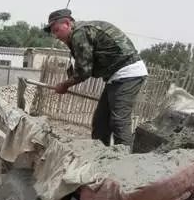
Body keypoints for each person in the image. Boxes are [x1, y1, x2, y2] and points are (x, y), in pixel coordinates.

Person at [44, 9, 148, 146]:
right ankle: (100, 156)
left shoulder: (80, 34)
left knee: (119, 121)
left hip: (127, 72)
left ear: (67, 23)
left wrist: (64, 85)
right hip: (116, 76)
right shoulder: (79, 33)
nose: (56, 36)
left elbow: (84, 72)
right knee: (100, 122)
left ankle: (124, 162)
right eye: (53, 32)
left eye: (57, 30)